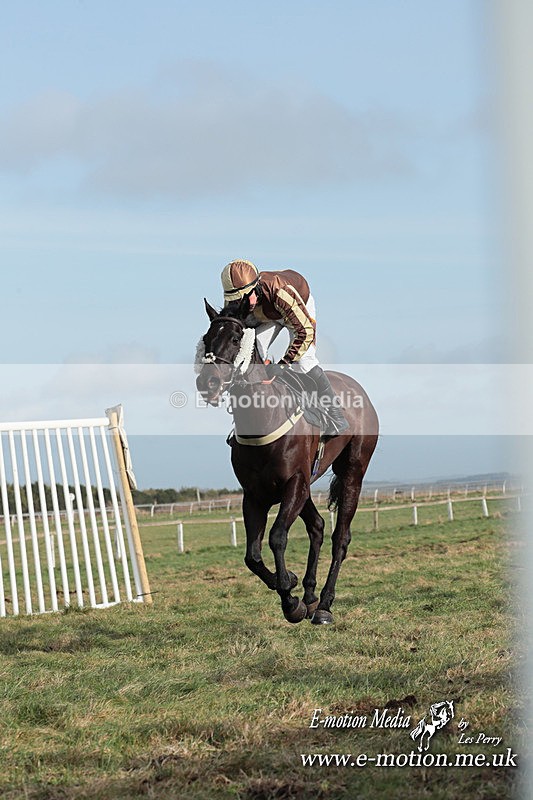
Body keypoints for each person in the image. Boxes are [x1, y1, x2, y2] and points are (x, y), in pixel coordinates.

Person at [221, 259, 349, 435]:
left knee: (305, 361)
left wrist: (283, 364)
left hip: (296, 309)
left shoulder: (281, 292)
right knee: (252, 347)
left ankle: (336, 414)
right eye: (235, 299)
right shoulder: (238, 298)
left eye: (244, 297)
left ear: (255, 286)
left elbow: (304, 332)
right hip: (268, 312)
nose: (240, 302)